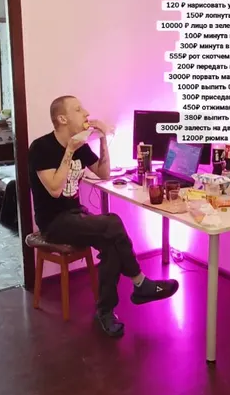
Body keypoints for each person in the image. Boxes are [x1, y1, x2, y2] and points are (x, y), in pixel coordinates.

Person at [28, 95, 179, 337]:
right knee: (113, 222)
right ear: (63, 118)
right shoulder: (41, 148)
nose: (86, 113)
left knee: (111, 243)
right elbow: (55, 190)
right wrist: (69, 150)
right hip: (53, 223)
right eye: (78, 109)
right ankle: (140, 282)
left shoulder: (81, 146)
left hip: (75, 215)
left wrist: (103, 139)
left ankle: (105, 312)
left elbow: (104, 173)